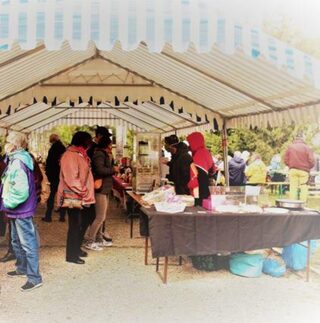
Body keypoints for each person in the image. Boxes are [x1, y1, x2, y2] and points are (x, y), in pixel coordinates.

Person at [0, 131, 42, 291]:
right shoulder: (15, 160)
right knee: (16, 241)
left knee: (27, 243)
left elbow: (21, 191)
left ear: (15, 145)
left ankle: (35, 278)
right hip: (17, 209)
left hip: (20, 209)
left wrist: (7, 202)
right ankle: (22, 268)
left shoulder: (17, 162)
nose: (5, 144)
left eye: (8, 141)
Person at [57, 131, 95, 264]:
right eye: (89, 140)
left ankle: (76, 249)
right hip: (72, 196)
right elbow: (71, 178)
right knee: (75, 225)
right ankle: (71, 255)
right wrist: (84, 191)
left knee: (87, 219)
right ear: (82, 141)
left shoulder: (79, 153)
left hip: (81, 196)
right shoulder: (69, 155)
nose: (90, 143)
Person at [85, 137, 118, 251]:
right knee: (100, 217)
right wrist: (113, 169)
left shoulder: (103, 154)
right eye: (110, 145)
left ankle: (98, 239)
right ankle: (90, 241)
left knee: (101, 217)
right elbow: (100, 170)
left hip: (105, 189)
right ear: (107, 145)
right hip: (101, 189)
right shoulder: (99, 154)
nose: (111, 147)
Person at [186, 132, 215, 206]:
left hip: (199, 189)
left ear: (195, 142)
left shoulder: (199, 153)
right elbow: (213, 170)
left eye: (190, 143)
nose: (189, 146)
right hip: (206, 187)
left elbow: (196, 175)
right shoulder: (206, 152)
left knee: (199, 207)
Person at [42, 134, 66, 222]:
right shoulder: (63, 147)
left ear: (51, 140)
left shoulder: (53, 148)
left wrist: (47, 173)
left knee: (51, 196)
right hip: (61, 175)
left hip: (53, 176)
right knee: (62, 195)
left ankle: (48, 216)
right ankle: (62, 216)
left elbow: (50, 162)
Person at [284, 133, 315, 202]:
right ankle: (303, 204)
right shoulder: (307, 148)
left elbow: (285, 160)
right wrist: (308, 167)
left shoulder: (290, 147)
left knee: (293, 187)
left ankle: (292, 203)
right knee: (304, 187)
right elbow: (312, 161)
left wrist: (290, 165)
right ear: (303, 139)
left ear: (295, 139)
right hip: (304, 171)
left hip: (293, 170)